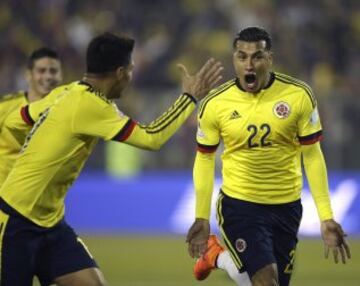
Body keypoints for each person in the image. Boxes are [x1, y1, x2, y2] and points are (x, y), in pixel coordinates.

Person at [0, 32, 223, 285]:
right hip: (16, 224)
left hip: (50, 223)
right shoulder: (92, 106)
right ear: (120, 73)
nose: (131, 77)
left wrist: (30, 152)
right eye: (131, 70)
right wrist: (190, 98)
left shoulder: (65, 92)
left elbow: (16, 121)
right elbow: (151, 138)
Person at [186, 27, 351, 286]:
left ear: (269, 59)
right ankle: (217, 255)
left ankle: (216, 256)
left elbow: (312, 155)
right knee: (265, 282)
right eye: (242, 57)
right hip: (240, 205)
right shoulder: (215, 104)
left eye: (257, 57)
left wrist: (326, 217)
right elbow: (205, 158)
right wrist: (201, 216)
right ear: (234, 60)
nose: (249, 64)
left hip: (287, 207)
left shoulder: (299, 95)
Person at [0, 47, 63, 186]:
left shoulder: (68, 112)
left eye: (53, 71)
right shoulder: (5, 108)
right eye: (41, 71)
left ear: (61, 75)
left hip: (43, 201)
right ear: (28, 75)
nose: (48, 76)